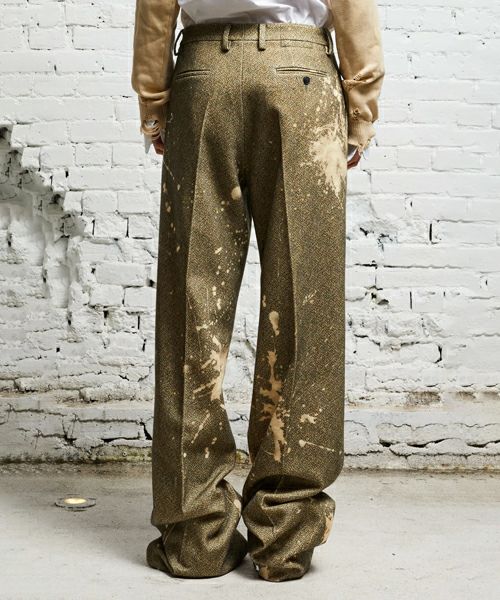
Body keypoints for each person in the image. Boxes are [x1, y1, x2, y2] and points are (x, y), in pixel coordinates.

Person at [131, 0, 384, 583]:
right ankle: (285, 533)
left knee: (192, 306)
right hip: (301, 79)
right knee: (305, 302)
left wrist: (155, 103)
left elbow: (156, 7)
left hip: (203, 77)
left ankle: (195, 536)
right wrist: (361, 108)